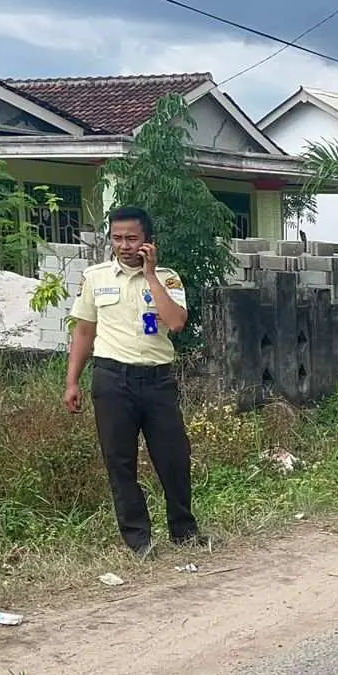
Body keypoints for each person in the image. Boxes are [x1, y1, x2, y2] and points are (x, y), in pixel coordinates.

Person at [64, 205, 201, 557]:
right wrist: (72, 382)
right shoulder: (95, 277)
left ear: (148, 241)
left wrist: (151, 275)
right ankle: (138, 539)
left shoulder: (167, 278)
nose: (124, 245)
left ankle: (184, 531)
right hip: (112, 379)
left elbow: (176, 323)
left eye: (132, 238)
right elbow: (83, 330)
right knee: (120, 462)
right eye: (117, 238)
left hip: (157, 381)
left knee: (174, 458)